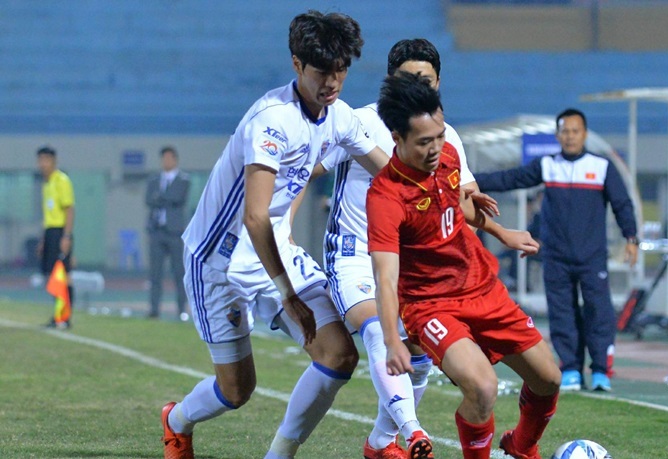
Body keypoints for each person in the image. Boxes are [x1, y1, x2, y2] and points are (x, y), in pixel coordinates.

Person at [160, 10, 390, 459]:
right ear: (296, 65)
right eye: (323, 70)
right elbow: (255, 217)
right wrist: (289, 297)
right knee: (237, 390)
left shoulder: (339, 117)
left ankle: (279, 454)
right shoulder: (271, 119)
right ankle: (176, 420)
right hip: (217, 262)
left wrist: (457, 195)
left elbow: (394, 172)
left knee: (339, 354)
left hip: (273, 248)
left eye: (341, 70)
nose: (333, 81)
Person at [368, 72, 561, 459]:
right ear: (397, 139)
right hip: (431, 305)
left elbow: (456, 202)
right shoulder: (386, 198)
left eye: (440, 136)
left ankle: (521, 446)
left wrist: (500, 230)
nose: (436, 147)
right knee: (483, 387)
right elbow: (385, 279)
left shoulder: (448, 157)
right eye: (424, 142)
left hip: (481, 287)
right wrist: (392, 340)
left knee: (548, 378)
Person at [317, 38, 476, 459]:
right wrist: (281, 226)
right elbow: (308, 169)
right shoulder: (358, 121)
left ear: (438, 83)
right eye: (408, 80)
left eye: (425, 80)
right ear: (390, 81)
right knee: (378, 331)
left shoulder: (446, 136)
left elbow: (467, 199)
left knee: (419, 356)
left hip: (413, 266)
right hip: (353, 255)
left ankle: (379, 443)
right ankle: (413, 431)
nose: (417, 88)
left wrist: (493, 229)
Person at [474, 108, 638, 392]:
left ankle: (601, 370)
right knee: (562, 314)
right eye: (565, 131)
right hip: (556, 257)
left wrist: (632, 238)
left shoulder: (601, 167)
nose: (570, 136)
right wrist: (469, 179)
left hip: (592, 257)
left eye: (575, 131)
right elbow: (511, 178)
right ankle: (571, 368)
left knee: (599, 313)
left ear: (584, 134)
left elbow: (622, 204)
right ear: (557, 135)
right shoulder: (548, 165)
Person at [145, 146, 190, 320]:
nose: (166, 162)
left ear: (175, 160)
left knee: (179, 272)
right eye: (163, 158)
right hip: (157, 231)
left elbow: (178, 198)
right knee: (155, 273)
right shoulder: (154, 179)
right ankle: (154, 309)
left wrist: (161, 197)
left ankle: (181, 309)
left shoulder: (183, 179)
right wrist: (164, 198)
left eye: (169, 158)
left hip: (175, 232)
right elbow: (149, 200)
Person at [36, 145, 75, 329]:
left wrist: (66, 236)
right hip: (50, 232)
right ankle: (58, 315)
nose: (42, 164)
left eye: (46, 160)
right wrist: (44, 239)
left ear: (54, 161)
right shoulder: (47, 183)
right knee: (53, 277)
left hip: (60, 232)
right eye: (40, 160)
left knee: (63, 275)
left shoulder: (62, 180)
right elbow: (48, 215)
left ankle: (65, 317)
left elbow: (69, 209)